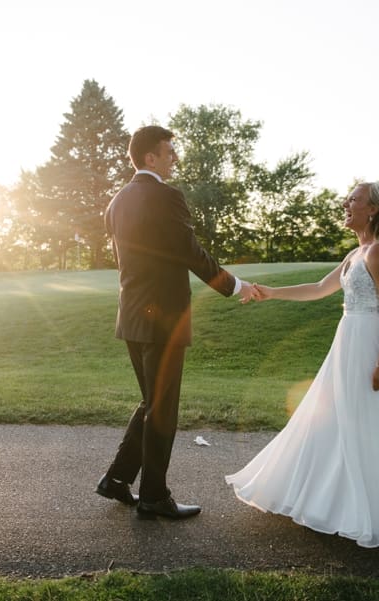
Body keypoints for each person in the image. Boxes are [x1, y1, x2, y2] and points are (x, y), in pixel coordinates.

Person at [226, 181, 379, 547]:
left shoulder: (377, 253)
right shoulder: (356, 254)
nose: (346, 203)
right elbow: (319, 288)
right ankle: (339, 504)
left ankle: (375, 512)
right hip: (348, 344)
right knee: (337, 420)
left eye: (354, 199)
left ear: (372, 209)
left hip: (369, 347)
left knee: (368, 424)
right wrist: (271, 293)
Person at [97, 125, 255, 520]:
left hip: (131, 317)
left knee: (153, 403)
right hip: (163, 318)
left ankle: (116, 480)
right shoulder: (167, 197)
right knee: (162, 409)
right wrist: (235, 286)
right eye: (169, 152)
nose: (175, 157)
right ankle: (153, 496)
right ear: (150, 157)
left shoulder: (116, 202)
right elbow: (190, 252)